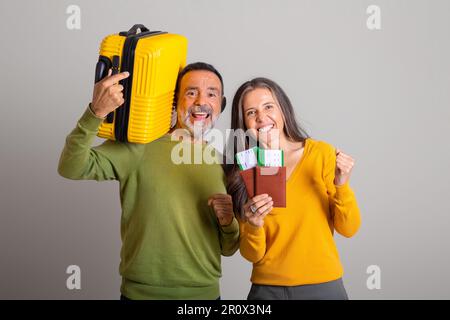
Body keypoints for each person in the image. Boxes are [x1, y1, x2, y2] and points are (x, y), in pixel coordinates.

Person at [58, 62, 239, 300]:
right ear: (175, 101)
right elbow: (71, 167)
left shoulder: (224, 164)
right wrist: (96, 112)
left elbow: (228, 248)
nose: (201, 102)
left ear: (221, 105)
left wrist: (228, 222)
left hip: (205, 298)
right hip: (141, 295)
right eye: (191, 92)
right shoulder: (139, 146)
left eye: (211, 94)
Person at [224, 77, 361, 300]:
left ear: (283, 110)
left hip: (324, 286)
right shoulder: (245, 166)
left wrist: (342, 185)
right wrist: (254, 224)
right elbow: (252, 254)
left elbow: (349, 228)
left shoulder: (320, 154)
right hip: (266, 291)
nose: (261, 117)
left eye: (268, 106)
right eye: (251, 112)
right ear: (244, 123)